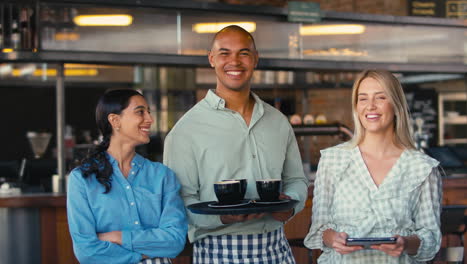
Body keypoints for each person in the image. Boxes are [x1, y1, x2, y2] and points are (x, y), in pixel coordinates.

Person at [163, 25, 308, 263]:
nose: (235, 61)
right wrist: (222, 217)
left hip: (277, 248)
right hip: (218, 251)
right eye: (224, 53)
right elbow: (178, 201)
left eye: (243, 53)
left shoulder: (278, 122)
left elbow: (296, 181)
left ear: (255, 59)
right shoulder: (185, 130)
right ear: (211, 59)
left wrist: (290, 206)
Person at [304, 69, 442, 263]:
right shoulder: (333, 160)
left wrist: (405, 243)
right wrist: (333, 239)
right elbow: (319, 229)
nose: (370, 106)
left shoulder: (422, 167)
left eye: (380, 98)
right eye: (363, 99)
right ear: (356, 106)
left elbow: (430, 239)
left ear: (396, 105)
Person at [67, 89, 187, 264]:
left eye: (149, 112)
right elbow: (86, 251)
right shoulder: (82, 179)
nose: (150, 119)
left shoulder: (162, 175)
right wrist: (142, 255)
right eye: (140, 112)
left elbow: (175, 241)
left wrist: (118, 237)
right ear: (115, 120)